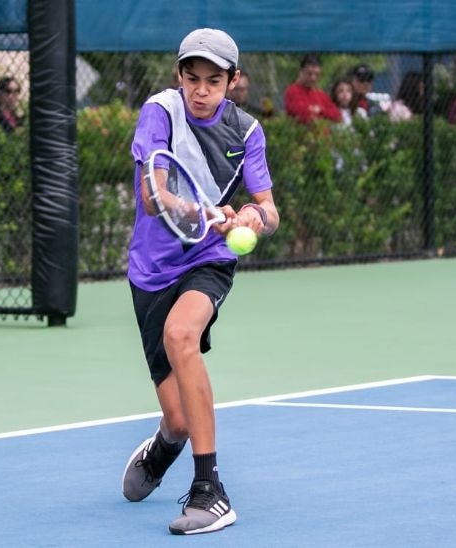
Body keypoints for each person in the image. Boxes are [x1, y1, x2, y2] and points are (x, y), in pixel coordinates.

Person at [122, 27, 279, 536]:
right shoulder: (160, 112)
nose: (201, 90)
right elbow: (152, 195)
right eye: (193, 78)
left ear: (233, 80)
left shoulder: (247, 132)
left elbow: (270, 210)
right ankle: (167, 443)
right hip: (151, 270)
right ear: (179, 76)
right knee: (179, 421)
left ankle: (210, 492)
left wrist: (254, 218)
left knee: (181, 333)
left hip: (207, 261)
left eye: (214, 80)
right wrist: (204, 211)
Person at [284, 54, 341, 124]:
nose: (313, 78)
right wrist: (323, 112)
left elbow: (337, 115)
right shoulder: (292, 91)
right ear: (300, 72)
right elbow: (302, 115)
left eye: (317, 74)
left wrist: (320, 110)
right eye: (309, 73)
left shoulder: (321, 94)